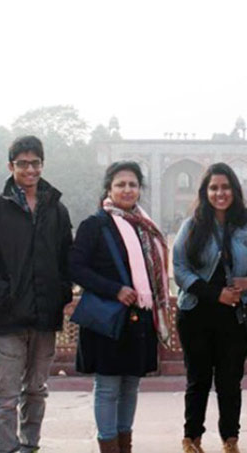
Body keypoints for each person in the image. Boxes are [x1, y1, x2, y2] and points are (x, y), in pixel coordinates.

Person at [0, 135, 74, 453]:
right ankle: (7, 448)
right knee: (7, 394)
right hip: (8, 316)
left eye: (35, 163)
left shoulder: (56, 210)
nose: (30, 170)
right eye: (23, 163)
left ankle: (30, 445)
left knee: (37, 389)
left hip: (45, 315)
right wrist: (1, 293)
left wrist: (60, 293)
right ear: (10, 166)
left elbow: (66, 258)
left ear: (43, 164)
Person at [69, 161, 172, 453]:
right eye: (120, 184)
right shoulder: (95, 225)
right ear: (109, 189)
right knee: (108, 387)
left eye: (132, 185)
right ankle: (109, 447)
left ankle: (124, 446)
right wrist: (114, 289)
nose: (127, 190)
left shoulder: (145, 227)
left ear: (140, 189)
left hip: (139, 317)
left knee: (130, 386)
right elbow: (75, 268)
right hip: (109, 318)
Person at [172, 162, 247, 453]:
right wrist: (216, 294)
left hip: (235, 314)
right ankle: (192, 439)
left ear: (235, 190)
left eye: (225, 187)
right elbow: (179, 269)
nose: (220, 193)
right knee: (198, 380)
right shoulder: (192, 225)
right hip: (196, 312)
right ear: (205, 192)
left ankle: (230, 440)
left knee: (230, 381)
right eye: (214, 188)